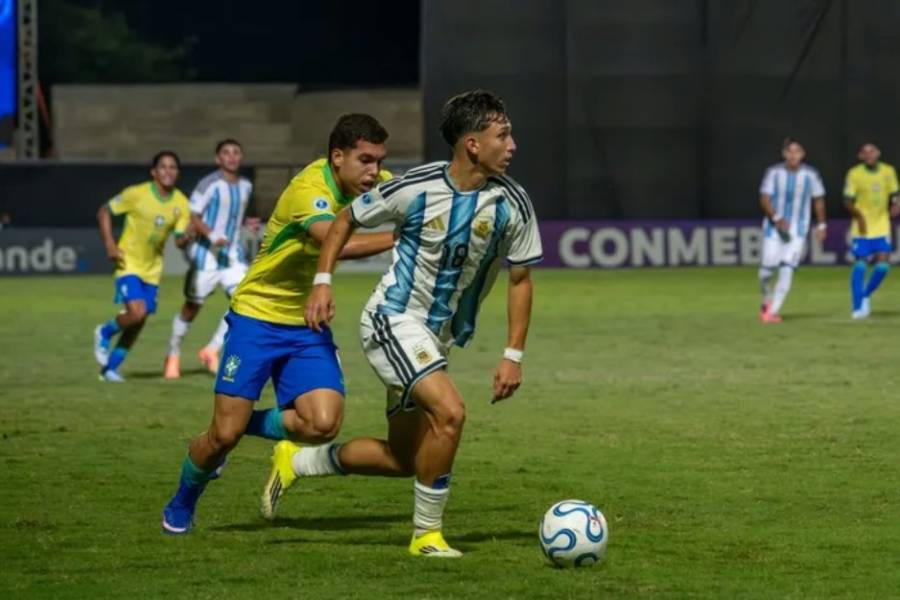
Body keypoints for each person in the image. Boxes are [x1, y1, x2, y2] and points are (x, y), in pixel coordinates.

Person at [262, 90, 543, 558]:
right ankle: (426, 537)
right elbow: (345, 219)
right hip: (392, 320)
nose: (512, 144)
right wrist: (323, 281)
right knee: (450, 413)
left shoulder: (513, 202)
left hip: (436, 338)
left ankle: (299, 461)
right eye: (503, 135)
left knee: (404, 459)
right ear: (472, 144)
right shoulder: (417, 186)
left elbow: (521, 278)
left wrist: (513, 355)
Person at [161, 114, 395, 534]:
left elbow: (417, 191)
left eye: (379, 161)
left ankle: (239, 426)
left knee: (322, 424)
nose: (374, 171)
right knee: (221, 439)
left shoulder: (370, 179)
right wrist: (404, 236)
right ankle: (182, 501)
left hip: (306, 323)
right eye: (365, 160)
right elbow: (335, 242)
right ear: (337, 157)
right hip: (257, 318)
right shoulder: (310, 191)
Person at [93, 151, 191, 382]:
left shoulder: (181, 203)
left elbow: (178, 240)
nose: (168, 171)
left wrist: (187, 237)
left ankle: (109, 370)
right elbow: (104, 211)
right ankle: (104, 332)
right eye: (163, 167)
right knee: (136, 313)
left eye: (173, 167)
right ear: (154, 172)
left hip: (153, 270)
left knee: (139, 321)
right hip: (128, 263)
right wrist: (109, 244)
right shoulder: (137, 193)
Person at [164, 139, 253, 379]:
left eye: (236, 152)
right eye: (226, 153)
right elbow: (194, 215)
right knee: (192, 307)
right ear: (218, 159)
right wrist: (211, 234)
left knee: (246, 304)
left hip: (232, 256)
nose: (232, 156)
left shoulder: (246, 186)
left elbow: (235, 217)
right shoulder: (209, 184)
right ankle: (172, 353)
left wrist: (248, 224)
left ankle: (212, 350)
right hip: (206, 255)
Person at [757, 138, 827, 323]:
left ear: (802, 154)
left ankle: (772, 312)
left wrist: (821, 225)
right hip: (774, 228)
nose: (793, 155)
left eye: (797, 151)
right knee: (766, 271)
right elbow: (764, 198)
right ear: (784, 154)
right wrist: (776, 218)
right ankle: (766, 302)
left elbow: (818, 200)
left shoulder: (811, 174)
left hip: (798, 229)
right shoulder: (773, 173)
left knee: (787, 268)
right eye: (790, 151)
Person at [844, 141, 900, 319]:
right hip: (861, 227)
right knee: (860, 263)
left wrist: (896, 205)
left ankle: (866, 295)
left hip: (881, 225)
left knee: (883, 266)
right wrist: (859, 217)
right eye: (865, 152)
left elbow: (895, 194)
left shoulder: (888, 171)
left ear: (878, 153)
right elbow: (847, 201)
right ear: (861, 156)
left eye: (872, 151)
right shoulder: (854, 174)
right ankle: (857, 306)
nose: (869, 155)